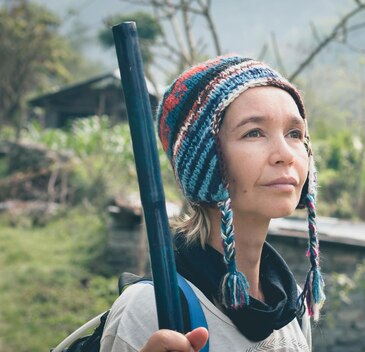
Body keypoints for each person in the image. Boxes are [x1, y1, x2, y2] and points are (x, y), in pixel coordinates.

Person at [100, 55, 326, 352]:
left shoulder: (290, 305)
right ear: (205, 163)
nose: (286, 154)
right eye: (253, 132)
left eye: (295, 133)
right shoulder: (150, 311)